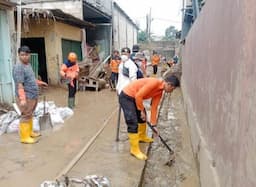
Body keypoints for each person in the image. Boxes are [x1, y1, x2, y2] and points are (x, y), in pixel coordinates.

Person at [119, 75, 180, 160]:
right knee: (132, 122)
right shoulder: (154, 83)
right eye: (172, 89)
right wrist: (141, 110)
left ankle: (142, 137)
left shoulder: (159, 92)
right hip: (127, 96)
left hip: (136, 98)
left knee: (142, 118)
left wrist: (154, 126)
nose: (171, 91)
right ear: (169, 84)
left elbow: (154, 108)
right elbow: (139, 96)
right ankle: (134, 150)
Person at [13, 46, 48, 144]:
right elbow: (19, 84)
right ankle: (24, 137)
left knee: (30, 114)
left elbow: (30, 79)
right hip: (26, 96)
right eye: (22, 55)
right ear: (19, 55)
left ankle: (30, 132)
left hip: (32, 96)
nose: (24, 57)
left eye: (26, 55)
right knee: (26, 115)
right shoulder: (18, 67)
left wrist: (40, 82)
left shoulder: (28, 65)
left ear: (29, 55)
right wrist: (22, 99)